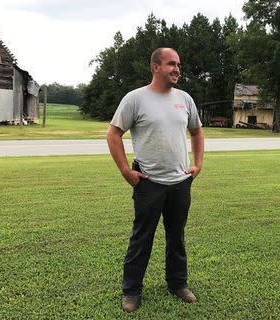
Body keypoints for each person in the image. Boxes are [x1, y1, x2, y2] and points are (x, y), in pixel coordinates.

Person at [107, 47, 204, 313]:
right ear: (156, 67)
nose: (177, 69)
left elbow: (196, 132)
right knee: (142, 238)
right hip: (148, 183)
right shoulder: (135, 99)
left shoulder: (185, 99)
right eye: (172, 64)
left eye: (179, 65)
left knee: (177, 238)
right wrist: (127, 171)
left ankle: (177, 284)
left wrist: (197, 164)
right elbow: (113, 134)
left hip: (180, 182)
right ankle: (132, 291)